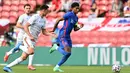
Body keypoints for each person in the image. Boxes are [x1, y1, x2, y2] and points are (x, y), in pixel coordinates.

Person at [3, 4, 55, 72]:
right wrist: (30, 35)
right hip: (28, 37)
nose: (48, 12)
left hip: (34, 39)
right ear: (43, 10)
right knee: (31, 51)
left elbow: (44, 32)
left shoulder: (44, 20)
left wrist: (50, 34)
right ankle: (20, 46)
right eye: (47, 11)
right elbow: (25, 26)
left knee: (23, 57)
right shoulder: (35, 17)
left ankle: (7, 67)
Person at [49, 2, 84, 72]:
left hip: (68, 36)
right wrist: (54, 29)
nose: (78, 10)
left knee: (68, 54)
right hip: (63, 35)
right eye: (76, 8)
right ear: (72, 8)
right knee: (67, 53)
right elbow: (58, 20)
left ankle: (56, 67)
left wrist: (79, 27)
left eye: (78, 9)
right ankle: (55, 47)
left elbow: (75, 29)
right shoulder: (69, 14)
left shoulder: (76, 18)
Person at [3, 4, 36, 70]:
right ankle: (9, 53)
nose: (28, 9)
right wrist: (25, 27)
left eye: (29, 8)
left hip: (28, 35)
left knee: (30, 49)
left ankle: (29, 65)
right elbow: (17, 25)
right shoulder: (22, 16)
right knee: (18, 50)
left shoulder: (32, 17)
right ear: (24, 9)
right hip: (22, 35)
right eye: (27, 8)